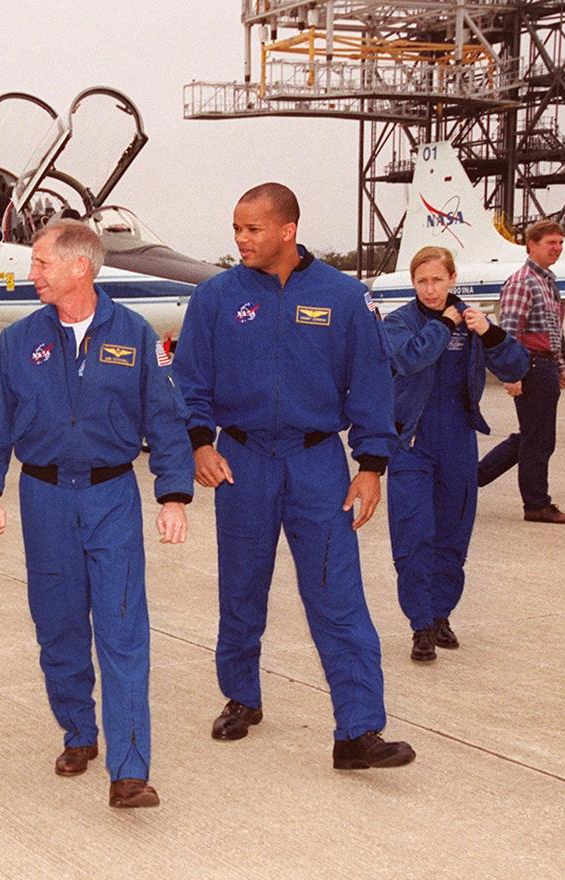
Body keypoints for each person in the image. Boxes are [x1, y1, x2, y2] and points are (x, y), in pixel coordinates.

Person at [172, 183, 415, 770]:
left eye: (253, 229)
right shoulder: (215, 298)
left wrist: (372, 466)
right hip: (243, 461)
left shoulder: (343, 296)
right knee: (242, 586)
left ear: (288, 230)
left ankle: (357, 732)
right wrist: (200, 444)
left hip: (316, 464)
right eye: (236, 228)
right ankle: (241, 697)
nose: (240, 239)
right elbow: (188, 382)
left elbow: (372, 384)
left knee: (338, 595)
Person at [0, 221, 193, 808]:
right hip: (43, 499)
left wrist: (173, 495)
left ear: (79, 269)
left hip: (110, 497)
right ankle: (78, 731)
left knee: (122, 630)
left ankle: (129, 769)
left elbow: (165, 421)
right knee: (59, 626)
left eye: (42, 263)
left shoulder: (134, 335)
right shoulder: (20, 342)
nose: (31, 273)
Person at [383, 246, 529, 662]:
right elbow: (411, 360)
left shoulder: (472, 322)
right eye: (421, 281)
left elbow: (516, 367)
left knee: (452, 535)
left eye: (437, 280)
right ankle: (420, 626)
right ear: (413, 284)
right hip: (411, 443)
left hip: (458, 440)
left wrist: (490, 333)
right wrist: (445, 324)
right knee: (415, 534)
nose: (430, 289)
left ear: (452, 279)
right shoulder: (398, 324)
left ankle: (441, 614)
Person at [476, 220, 565, 523]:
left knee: (532, 437)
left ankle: (469, 480)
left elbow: (552, 330)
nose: (557, 249)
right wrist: (512, 374)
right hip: (530, 365)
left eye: (560, 243)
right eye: (551, 243)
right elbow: (509, 332)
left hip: (545, 365)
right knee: (538, 440)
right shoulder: (522, 282)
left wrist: (561, 365)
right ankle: (536, 504)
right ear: (531, 246)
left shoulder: (547, 281)